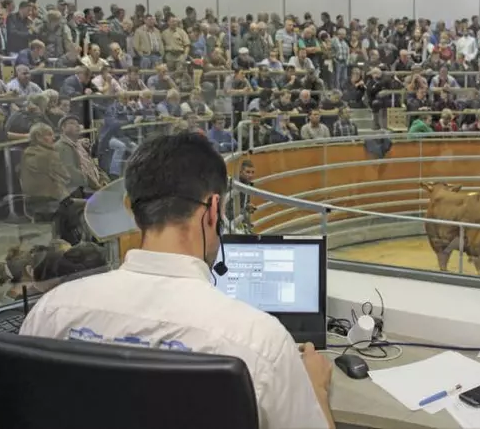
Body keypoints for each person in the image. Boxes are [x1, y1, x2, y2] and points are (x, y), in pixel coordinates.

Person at [20, 133, 335, 429]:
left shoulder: (51, 311)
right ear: (213, 210)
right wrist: (316, 388)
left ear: (130, 208)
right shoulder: (258, 341)